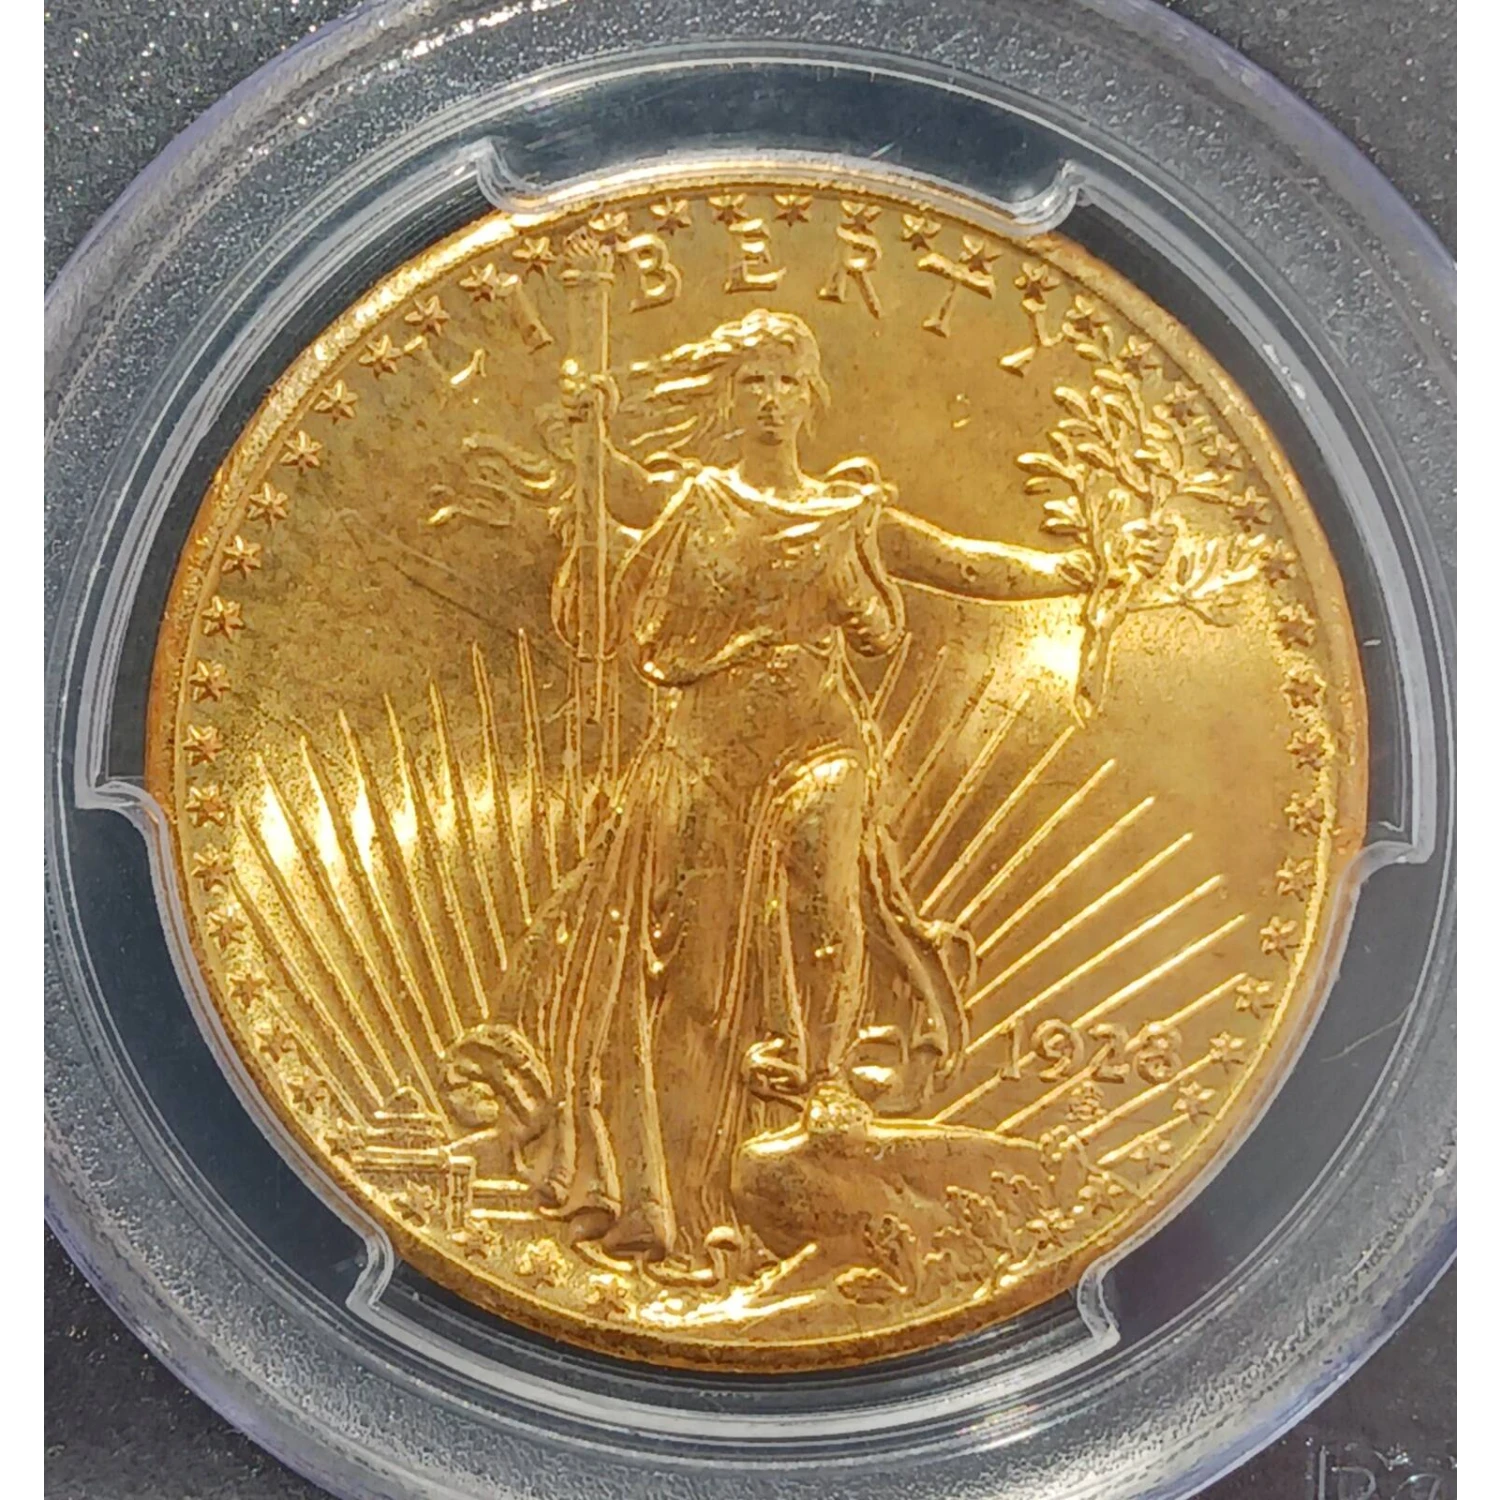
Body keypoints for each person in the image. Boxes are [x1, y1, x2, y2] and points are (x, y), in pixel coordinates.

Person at [495, 308, 1171, 1279]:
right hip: (704, 747)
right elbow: (622, 493)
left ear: (812, 395)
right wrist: (588, 435)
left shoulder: (850, 515)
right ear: (729, 398)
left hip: (819, 737)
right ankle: (682, 1210)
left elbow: (959, 561)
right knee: (692, 978)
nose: (770, 398)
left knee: (825, 886)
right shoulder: (697, 499)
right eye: (753, 381)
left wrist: (1074, 571)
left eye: (786, 379)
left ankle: (824, 1083)